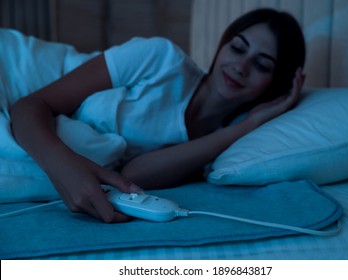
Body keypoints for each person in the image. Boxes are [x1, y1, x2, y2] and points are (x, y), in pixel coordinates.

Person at [9, 8, 306, 223]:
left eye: (262, 65)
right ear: (222, 45)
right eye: (237, 48)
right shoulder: (160, 59)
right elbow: (27, 107)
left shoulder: (226, 143)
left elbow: (134, 176)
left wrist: (250, 124)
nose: (241, 67)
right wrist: (64, 168)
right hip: (22, 73)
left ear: (275, 85)